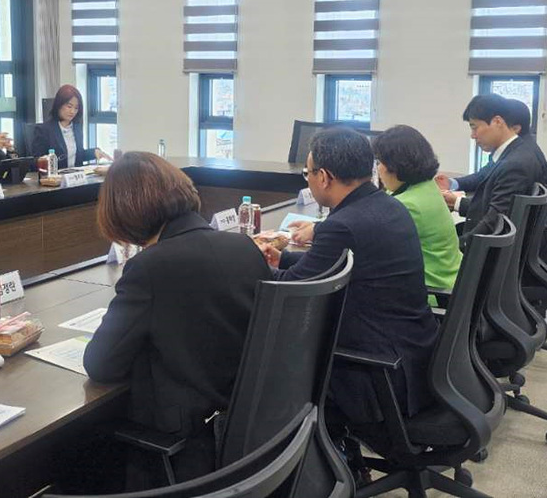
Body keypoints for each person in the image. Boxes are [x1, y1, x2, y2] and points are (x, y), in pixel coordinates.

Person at [83, 152, 271, 488]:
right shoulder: (243, 246)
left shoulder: (150, 268)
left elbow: (101, 364)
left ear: (125, 212)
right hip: (250, 436)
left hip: (186, 447)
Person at [261, 127, 438, 427]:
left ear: (324, 177)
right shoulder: (388, 205)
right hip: (414, 358)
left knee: (264, 359)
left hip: (374, 374)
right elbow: (341, 264)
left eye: (308, 173)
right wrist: (283, 258)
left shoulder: (343, 225)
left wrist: (246, 262)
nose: (308, 179)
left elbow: (291, 289)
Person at [435, 94, 546, 249]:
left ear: (497, 122)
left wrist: (453, 250)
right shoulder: (515, 152)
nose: (473, 136)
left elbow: (494, 223)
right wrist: (456, 197)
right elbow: (496, 210)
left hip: (494, 251)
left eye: (474, 127)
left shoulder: (515, 165)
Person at [372, 125, 463, 304]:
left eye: (380, 162)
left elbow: (369, 241)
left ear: (394, 166)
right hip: (452, 283)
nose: (378, 169)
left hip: (433, 293)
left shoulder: (408, 205)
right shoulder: (426, 186)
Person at [32, 84, 110, 168]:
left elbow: (78, 156)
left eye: (76, 108)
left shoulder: (76, 127)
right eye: (69, 106)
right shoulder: (43, 130)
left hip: (76, 175)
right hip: (55, 175)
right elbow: (36, 162)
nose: (73, 111)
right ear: (58, 105)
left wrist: (94, 152)